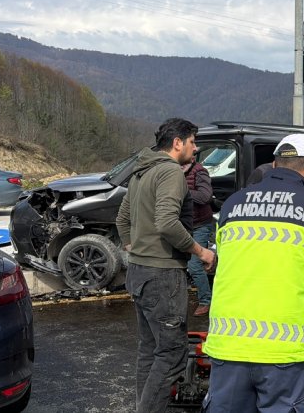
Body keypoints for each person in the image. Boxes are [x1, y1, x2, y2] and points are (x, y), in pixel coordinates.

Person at [202, 133, 304, 413]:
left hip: (228, 348)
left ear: (274, 165)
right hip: (285, 354)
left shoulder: (232, 205)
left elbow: (222, 264)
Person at [116, 118, 216, 413]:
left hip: (138, 272)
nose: (195, 149)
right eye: (193, 142)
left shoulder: (140, 171)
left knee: (150, 350)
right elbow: (167, 222)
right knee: (172, 353)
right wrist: (201, 252)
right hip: (162, 275)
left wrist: (134, 248)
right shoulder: (170, 171)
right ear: (177, 143)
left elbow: (123, 219)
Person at [181, 156, 215, 317]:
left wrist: (180, 189)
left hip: (201, 224)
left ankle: (206, 301)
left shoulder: (199, 171)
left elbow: (205, 197)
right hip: (183, 226)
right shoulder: (172, 171)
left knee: (194, 265)